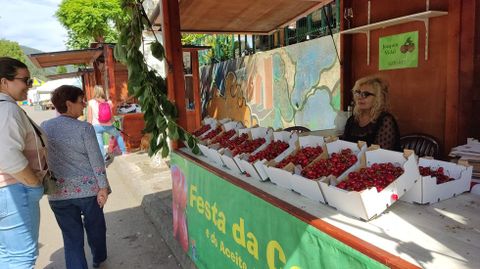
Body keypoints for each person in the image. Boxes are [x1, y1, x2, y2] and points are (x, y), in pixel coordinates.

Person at [41, 85, 110, 269]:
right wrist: (103, 187)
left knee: (71, 240)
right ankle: (99, 257)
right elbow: (97, 161)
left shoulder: (45, 127)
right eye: (81, 102)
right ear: (68, 104)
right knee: (96, 229)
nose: (84, 105)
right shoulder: (85, 129)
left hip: (58, 194)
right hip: (88, 192)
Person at [0, 57, 46, 268]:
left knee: (6, 255)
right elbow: (7, 155)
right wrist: (33, 184)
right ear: (4, 82)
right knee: (22, 258)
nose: (29, 86)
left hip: (9, 191)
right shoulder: (7, 110)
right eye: (25, 80)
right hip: (13, 190)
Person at [342, 75, 401, 150]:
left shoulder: (385, 120)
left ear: (378, 98)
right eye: (358, 92)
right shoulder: (352, 120)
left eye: (365, 94)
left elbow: (379, 155)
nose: (360, 97)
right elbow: (344, 149)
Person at [87, 85, 126, 161]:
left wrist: (89, 127)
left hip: (96, 126)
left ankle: (103, 158)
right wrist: (114, 122)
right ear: (103, 92)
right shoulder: (108, 102)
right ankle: (124, 152)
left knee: (99, 143)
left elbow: (89, 118)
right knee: (118, 135)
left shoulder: (90, 103)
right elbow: (111, 116)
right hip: (108, 126)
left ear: (94, 92)